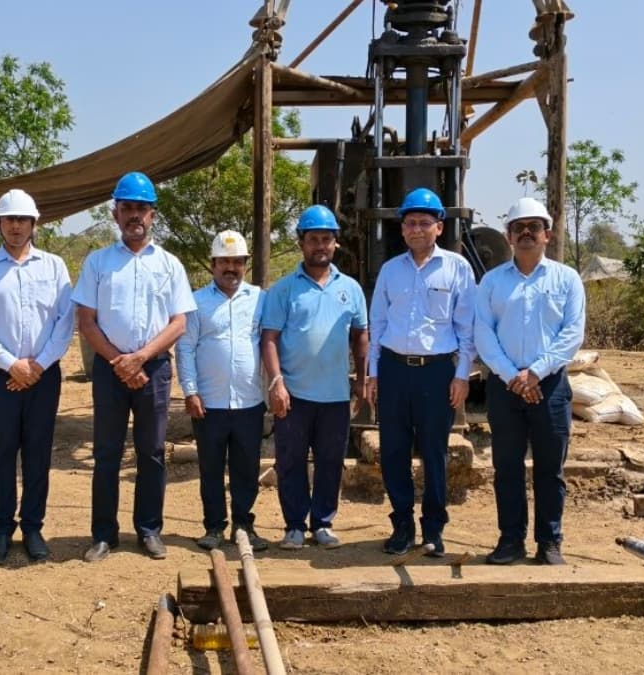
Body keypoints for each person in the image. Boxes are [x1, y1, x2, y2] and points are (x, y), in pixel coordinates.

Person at [73, 171, 197, 562]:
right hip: (110, 371)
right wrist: (120, 361)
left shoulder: (170, 265)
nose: (134, 216)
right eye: (127, 208)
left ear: (152, 215)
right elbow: (86, 321)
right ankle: (104, 535)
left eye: (141, 208)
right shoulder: (98, 263)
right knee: (107, 453)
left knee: (152, 452)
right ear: (115, 213)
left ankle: (148, 530)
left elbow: (179, 321)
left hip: (154, 370)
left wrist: (141, 358)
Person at [0, 189, 74, 565]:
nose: (15, 226)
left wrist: (38, 365)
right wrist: (12, 364)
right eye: (9, 219)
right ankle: (0, 529)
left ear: (33, 224)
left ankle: (32, 527)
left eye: (22, 219)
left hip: (44, 375)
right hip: (1, 377)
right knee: (3, 452)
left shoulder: (54, 267)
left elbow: (65, 320)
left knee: (39, 452)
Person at [363, 188, 476, 557]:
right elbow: (376, 323)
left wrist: (461, 375)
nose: (417, 229)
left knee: (434, 453)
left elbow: (467, 328)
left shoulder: (457, 268)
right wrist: (373, 373)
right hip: (395, 370)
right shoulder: (390, 270)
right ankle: (401, 525)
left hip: (436, 373)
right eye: (410, 223)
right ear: (402, 229)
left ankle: (433, 529)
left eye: (424, 223)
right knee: (393, 451)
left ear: (439, 228)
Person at [474, 197, 586, 566]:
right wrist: (514, 376)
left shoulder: (566, 279)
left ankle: (549, 542)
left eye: (533, 227)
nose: (526, 233)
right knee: (506, 468)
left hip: (549, 386)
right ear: (507, 236)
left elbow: (572, 333)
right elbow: (483, 334)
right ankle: (510, 541)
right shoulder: (492, 282)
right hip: (505, 388)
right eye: (518, 228)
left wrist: (536, 372)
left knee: (550, 470)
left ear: (547, 234)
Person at [261, 204, 368, 550]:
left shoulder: (350, 288)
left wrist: (361, 380)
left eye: (326, 238)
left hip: (335, 395)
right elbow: (270, 339)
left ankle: (322, 523)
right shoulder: (284, 290)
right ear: (301, 243)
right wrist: (277, 382)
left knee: (330, 462)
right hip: (294, 394)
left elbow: (360, 335)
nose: (320, 245)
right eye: (313, 239)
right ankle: (294, 525)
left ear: (335, 243)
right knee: (289, 461)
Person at [176, 230, 269, 553]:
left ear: (245, 264)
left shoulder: (260, 299)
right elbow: (185, 348)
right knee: (211, 469)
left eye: (237, 262)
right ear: (213, 264)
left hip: (249, 401)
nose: (231, 268)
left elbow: (269, 344)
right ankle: (214, 526)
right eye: (224, 261)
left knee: (247, 468)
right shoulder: (196, 302)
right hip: (209, 403)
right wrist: (190, 391)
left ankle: (244, 524)